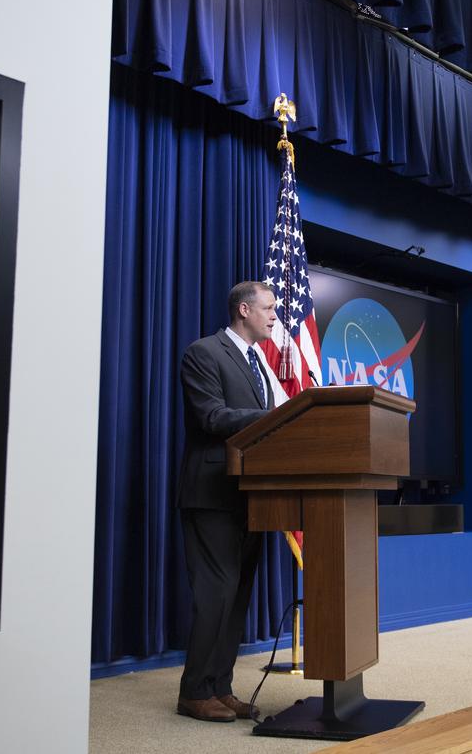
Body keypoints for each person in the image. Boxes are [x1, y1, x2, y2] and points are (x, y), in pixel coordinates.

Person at [175, 281, 277, 723]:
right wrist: (280, 415)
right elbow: (212, 417)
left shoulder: (260, 363)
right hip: (212, 492)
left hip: (251, 495)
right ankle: (193, 690)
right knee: (215, 594)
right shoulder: (204, 352)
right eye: (269, 309)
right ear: (243, 310)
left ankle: (220, 686)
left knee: (237, 597)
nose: (275, 316)